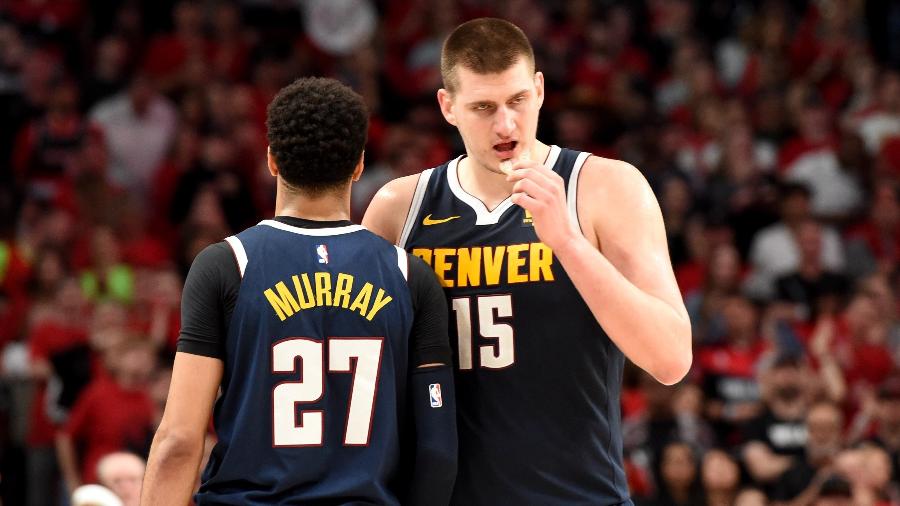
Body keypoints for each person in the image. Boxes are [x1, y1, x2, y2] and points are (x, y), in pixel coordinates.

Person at [364, 17, 692, 504]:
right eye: (483, 107)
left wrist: (568, 242)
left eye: (517, 100)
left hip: (580, 495)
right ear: (447, 106)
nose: (506, 125)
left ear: (539, 90)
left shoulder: (606, 187)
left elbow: (671, 359)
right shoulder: (399, 207)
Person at [141, 77, 457, 505]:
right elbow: (437, 450)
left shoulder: (226, 265)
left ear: (272, 160)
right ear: (359, 165)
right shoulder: (409, 276)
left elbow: (179, 440)